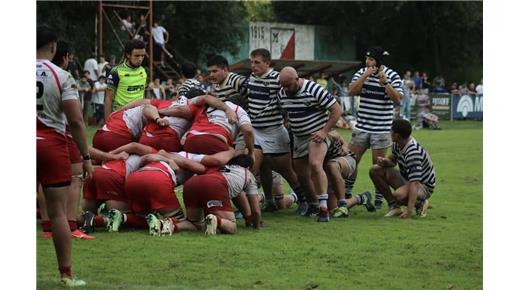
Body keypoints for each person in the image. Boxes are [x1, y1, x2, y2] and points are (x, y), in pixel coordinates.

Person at [37, 25, 92, 287]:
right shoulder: (61, 76)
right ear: (54, 47)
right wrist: (85, 156)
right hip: (51, 146)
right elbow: (77, 121)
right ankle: (66, 275)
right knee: (58, 213)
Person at [245, 49, 306, 213]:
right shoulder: (250, 79)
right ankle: (269, 201)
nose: (253, 66)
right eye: (251, 62)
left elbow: (294, 88)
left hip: (274, 130)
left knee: (286, 169)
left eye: (257, 62)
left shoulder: (277, 78)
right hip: (256, 131)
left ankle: (303, 199)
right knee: (259, 167)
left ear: (267, 63)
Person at [277, 66, 342, 222]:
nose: (285, 89)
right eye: (283, 85)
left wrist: (325, 131)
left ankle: (324, 208)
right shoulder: (282, 94)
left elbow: (336, 109)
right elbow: (286, 112)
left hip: (316, 134)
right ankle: (313, 204)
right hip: (299, 137)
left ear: (297, 79)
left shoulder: (313, 89)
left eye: (288, 85)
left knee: (314, 164)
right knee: (301, 174)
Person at [346, 46, 403, 210]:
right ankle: (347, 193)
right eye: (366, 59)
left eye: (371, 59)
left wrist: (385, 83)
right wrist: (364, 76)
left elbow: (398, 100)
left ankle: (379, 198)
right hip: (362, 126)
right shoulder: (361, 73)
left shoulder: (392, 75)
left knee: (377, 165)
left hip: (382, 128)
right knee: (351, 161)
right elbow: (351, 92)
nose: (367, 62)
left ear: (378, 61)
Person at [369, 119, 435, 218]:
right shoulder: (398, 143)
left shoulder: (413, 152)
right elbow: (393, 160)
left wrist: (409, 211)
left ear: (397, 135)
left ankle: (420, 203)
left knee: (398, 196)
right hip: (409, 180)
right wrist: (385, 161)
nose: (389, 132)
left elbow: (415, 183)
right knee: (375, 170)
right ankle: (394, 207)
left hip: (423, 185)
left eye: (391, 130)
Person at [182, 154, 262, 235]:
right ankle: (216, 220)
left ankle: (173, 225)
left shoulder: (223, 167)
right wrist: (256, 227)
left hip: (192, 182)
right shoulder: (248, 175)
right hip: (214, 184)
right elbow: (255, 211)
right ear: (248, 167)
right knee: (232, 227)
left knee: (195, 224)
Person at [324, 131, 376, 217]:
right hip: (325, 171)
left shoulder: (325, 131)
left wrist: (343, 145)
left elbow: (339, 138)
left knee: (332, 165)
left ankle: (342, 205)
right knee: (332, 209)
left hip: (343, 160)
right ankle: (362, 198)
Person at [104, 39, 147, 120]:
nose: (140, 59)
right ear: (128, 55)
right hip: (121, 116)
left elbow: (142, 94)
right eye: (137, 56)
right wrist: (107, 121)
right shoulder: (116, 71)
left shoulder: (143, 71)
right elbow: (108, 99)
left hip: (139, 116)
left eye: (142, 56)